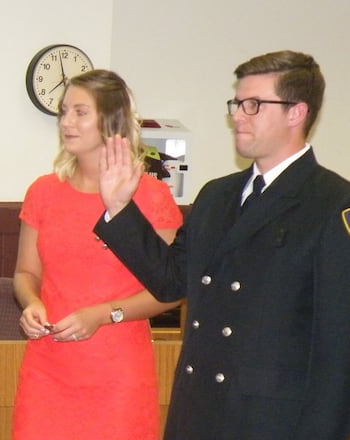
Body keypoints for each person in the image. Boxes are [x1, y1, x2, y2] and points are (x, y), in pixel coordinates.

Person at [96, 50, 350, 439]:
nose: (238, 116)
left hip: (271, 422)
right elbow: (170, 282)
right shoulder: (217, 196)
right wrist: (120, 209)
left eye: (254, 105)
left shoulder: (331, 203)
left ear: (296, 112)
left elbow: (338, 347)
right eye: (237, 103)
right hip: (199, 412)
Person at [12, 69, 183, 439]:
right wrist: (31, 302)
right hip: (48, 369)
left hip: (117, 374)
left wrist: (103, 314)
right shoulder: (43, 192)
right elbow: (26, 273)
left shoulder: (151, 197)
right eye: (64, 112)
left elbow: (170, 291)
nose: (66, 122)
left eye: (80, 112)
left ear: (111, 120)